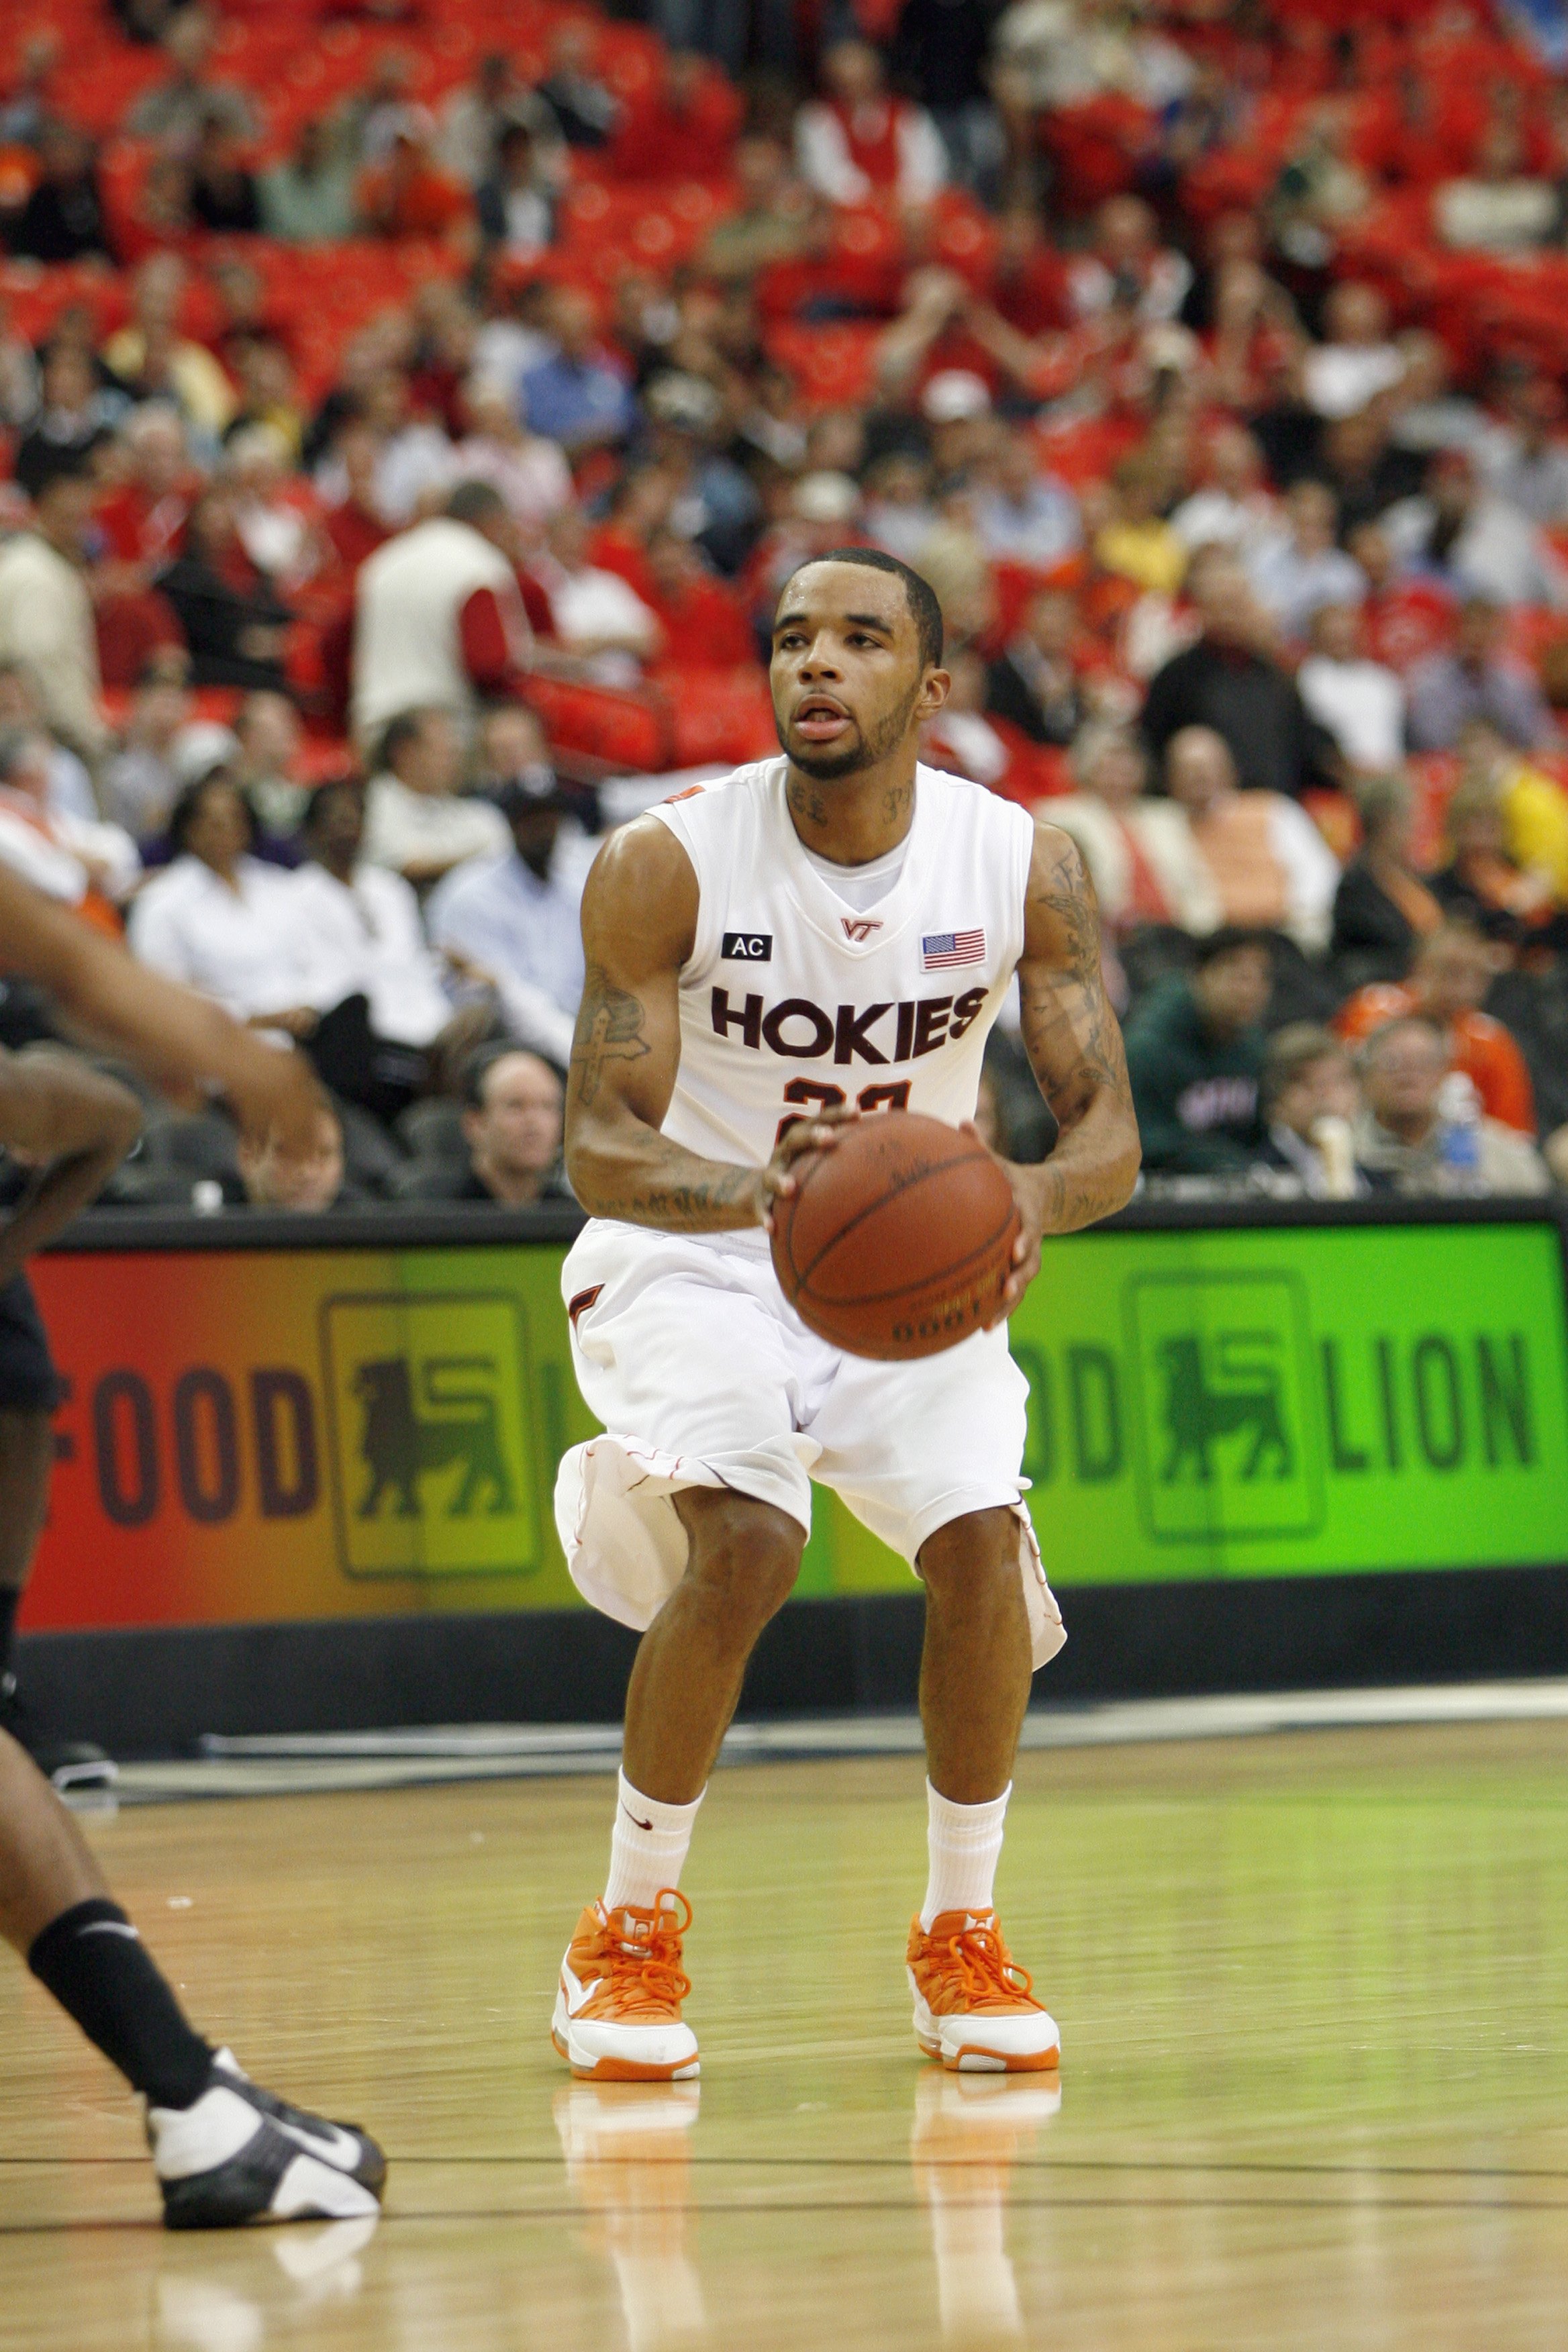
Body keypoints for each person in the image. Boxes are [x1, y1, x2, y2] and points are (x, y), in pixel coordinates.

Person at [549, 547, 1139, 2083]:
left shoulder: (1018, 862)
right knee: (747, 1532)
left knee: (979, 1550)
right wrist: (757, 1195)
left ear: (928, 686)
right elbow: (596, 1145)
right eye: (792, 637)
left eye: (860, 638)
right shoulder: (664, 859)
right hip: (692, 1245)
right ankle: (624, 1930)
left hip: (911, 1263)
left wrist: (1017, 1199)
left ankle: (959, 1929)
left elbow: (1104, 1142)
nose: (816, 661)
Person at [0, 858, 385, 2225]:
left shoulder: (45, 1101)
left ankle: (184, 2089)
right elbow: (69, 959)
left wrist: (230, 1058)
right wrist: (234, 1060)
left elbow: (66, 969)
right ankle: (187, 2095)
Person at [127, 771, 324, 1028]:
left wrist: (307, 1005)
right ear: (189, 830)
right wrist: (253, 1018)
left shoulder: (278, 885)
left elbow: (313, 958)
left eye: (236, 820)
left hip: (303, 1030)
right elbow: (164, 992)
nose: (227, 832)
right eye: (214, 823)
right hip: (221, 1040)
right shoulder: (163, 901)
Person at [426, 758, 586, 1065]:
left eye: (550, 817)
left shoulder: (580, 886)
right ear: (511, 823)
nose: (543, 829)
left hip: (572, 1041)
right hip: (500, 1049)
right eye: (531, 819)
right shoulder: (470, 894)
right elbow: (495, 1009)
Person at [351, 481, 533, 747]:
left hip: (373, 724)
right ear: (492, 521)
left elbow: (337, 642)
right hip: (441, 731)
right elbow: (489, 664)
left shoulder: (385, 560)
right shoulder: (481, 563)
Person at [1140, 556, 1332, 799]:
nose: (1231, 614)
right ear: (1202, 610)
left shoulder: (1275, 676)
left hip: (1273, 806)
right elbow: (1154, 749)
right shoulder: (1176, 677)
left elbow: (1301, 746)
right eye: (1221, 605)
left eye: (1238, 604)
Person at [1336, 923, 1536, 1134]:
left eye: (1477, 976)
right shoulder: (1372, 1013)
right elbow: (1339, 1090)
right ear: (1420, 967)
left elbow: (1513, 1133)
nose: (1464, 988)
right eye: (1452, 972)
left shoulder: (1492, 1042)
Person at [1163, 726, 1339, 954]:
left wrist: (1295, 919)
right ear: (1170, 779)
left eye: (1208, 766)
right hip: (1210, 945)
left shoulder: (1272, 809)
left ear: (1230, 771)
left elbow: (1318, 873)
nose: (1199, 776)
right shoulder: (1163, 826)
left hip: (1283, 936)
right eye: (1188, 769)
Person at [1048, 723, 1219, 941]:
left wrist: (1208, 934)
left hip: (1181, 934)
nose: (1119, 770)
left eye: (1126, 761)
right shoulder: (1064, 817)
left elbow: (1197, 885)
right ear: (1086, 765)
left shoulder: (1167, 816)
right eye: (1109, 761)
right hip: (1112, 937)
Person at [1123, 927, 1273, 1175]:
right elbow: (1143, 1144)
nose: (1250, 991)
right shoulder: (1147, 1049)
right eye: (1239, 977)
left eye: (1261, 979)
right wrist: (1221, 1161)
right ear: (1200, 976)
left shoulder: (1254, 1048)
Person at [1354, 1015, 1549, 1196]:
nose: (1408, 1076)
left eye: (1423, 1063)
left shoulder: (1496, 1153)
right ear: (1366, 1076)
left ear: (1444, 1073)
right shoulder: (1343, 1154)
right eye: (1392, 1063)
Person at [0, 459, 108, 769]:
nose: (82, 527)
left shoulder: (35, 563)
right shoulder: (38, 575)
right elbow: (40, 663)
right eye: (72, 516)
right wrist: (86, 734)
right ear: (46, 507)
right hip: (50, 744)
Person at [362, 706, 509, 889]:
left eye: (455, 753)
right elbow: (407, 866)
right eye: (444, 752)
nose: (454, 762)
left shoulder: (479, 813)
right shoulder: (370, 804)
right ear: (405, 752)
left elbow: (504, 854)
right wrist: (477, 859)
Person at [399, 1046, 567, 1204]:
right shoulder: (430, 1208)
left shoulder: (575, 1219)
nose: (534, 1122)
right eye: (515, 1106)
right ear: (475, 1123)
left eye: (547, 1106)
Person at [1330, 772, 1442, 987]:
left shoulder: (1418, 877)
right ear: (1385, 821)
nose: (1414, 828)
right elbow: (1373, 942)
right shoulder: (1355, 885)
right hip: (1383, 983)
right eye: (1408, 818)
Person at [1405, 597, 1555, 753]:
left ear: (1500, 634)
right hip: (1450, 767)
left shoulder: (1518, 682)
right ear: (1455, 631)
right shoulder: (1428, 680)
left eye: (1486, 628)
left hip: (1505, 765)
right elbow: (1429, 741)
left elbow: (1537, 737)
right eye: (1471, 627)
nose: (1477, 636)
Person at [1249, 1023, 1368, 1197]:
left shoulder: (1375, 1181)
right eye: (1308, 1084)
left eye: (1338, 1082)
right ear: (1276, 1101)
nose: (1325, 1096)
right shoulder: (1256, 1178)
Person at [1296, 603, 1406, 774]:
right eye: (1332, 636)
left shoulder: (1382, 680)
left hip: (1391, 774)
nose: (1341, 641)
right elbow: (1316, 742)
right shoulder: (1309, 679)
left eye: (1345, 633)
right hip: (1339, 779)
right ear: (1316, 639)